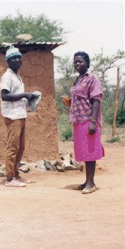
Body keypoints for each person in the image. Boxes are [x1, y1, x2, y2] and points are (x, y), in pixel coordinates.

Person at [62, 51, 104, 194]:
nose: (77, 64)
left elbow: (96, 100)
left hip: (88, 119)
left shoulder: (92, 79)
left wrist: (93, 122)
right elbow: (81, 98)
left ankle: (91, 184)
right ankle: (87, 181)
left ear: (87, 62)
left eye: (80, 61)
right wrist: (71, 102)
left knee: (90, 151)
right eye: (75, 62)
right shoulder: (78, 79)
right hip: (78, 120)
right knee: (84, 151)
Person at [0, 46, 39, 187]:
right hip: (12, 116)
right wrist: (24, 95)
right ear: (8, 62)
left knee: (20, 147)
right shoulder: (7, 76)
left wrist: (30, 97)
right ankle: (9, 178)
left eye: (18, 57)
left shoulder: (17, 76)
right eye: (13, 58)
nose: (16, 60)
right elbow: (4, 96)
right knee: (12, 147)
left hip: (20, 115)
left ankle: (16, 174)